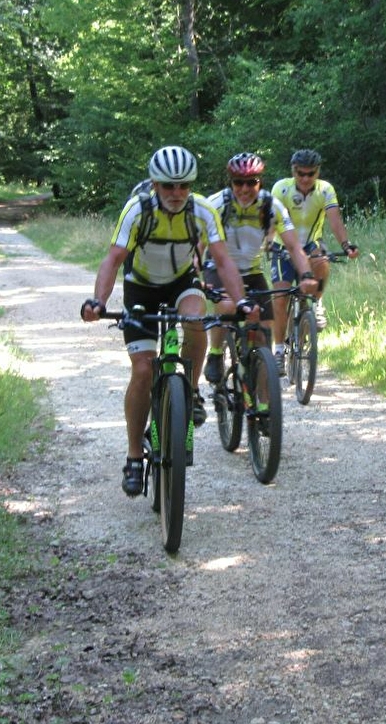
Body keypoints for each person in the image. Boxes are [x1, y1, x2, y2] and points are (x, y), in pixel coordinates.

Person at [81, 146, 258, 497]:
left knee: (195, 318)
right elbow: (114, 259)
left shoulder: (203, 211)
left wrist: (240, 301)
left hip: (181, 281)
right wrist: (98, 302)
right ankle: (134, 456)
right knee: (144, 371)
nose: (176, 194)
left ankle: (190, 392)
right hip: (141, 287)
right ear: (155, 185)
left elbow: (222, 261)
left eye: (183, 186)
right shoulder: (138, 210)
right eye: (168, 187)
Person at [202, 153, 318, 386]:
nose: (244, 189)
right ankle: (215, 353)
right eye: (238, 182)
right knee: (226, 306)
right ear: (230, 182)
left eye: (251, 182)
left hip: (253, 272)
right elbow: (198, 246)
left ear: (260, 182)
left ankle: (264, 409)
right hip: (220, 268)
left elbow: (294, 246)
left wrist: (305, 275)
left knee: (264, 334)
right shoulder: (216, 204)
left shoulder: (271, 206)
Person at [270, 149, 359, 345]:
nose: (305, 178)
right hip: (282, 245)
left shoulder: (325, 189)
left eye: (311, 173)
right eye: (300, 173)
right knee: (280, 297)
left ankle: (316, 302)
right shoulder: (281, 188)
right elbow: (271, 219)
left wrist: (346, 244)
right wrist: (268, 243)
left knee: (323, 260)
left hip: (311, 243)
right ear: (293, 171)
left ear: (318, 172)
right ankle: (277, 349)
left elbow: (335, 219)